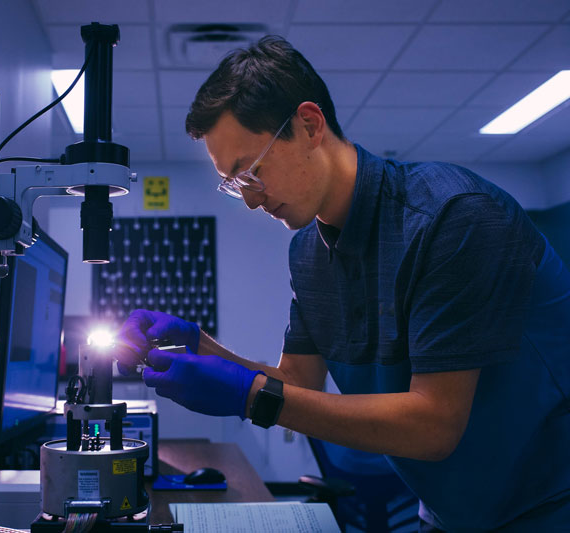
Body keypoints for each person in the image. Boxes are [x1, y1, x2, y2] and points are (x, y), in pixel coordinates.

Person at [115, 36, 570, 531]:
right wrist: (200, 348)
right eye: (234, 184)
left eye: (253, 172)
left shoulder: (453, 218)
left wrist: (249, 397)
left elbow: (435, 425)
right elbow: (298, 381)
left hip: (546, 507)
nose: (249, 201)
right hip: (447, 514)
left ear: (309, 125)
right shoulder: (308, 252)